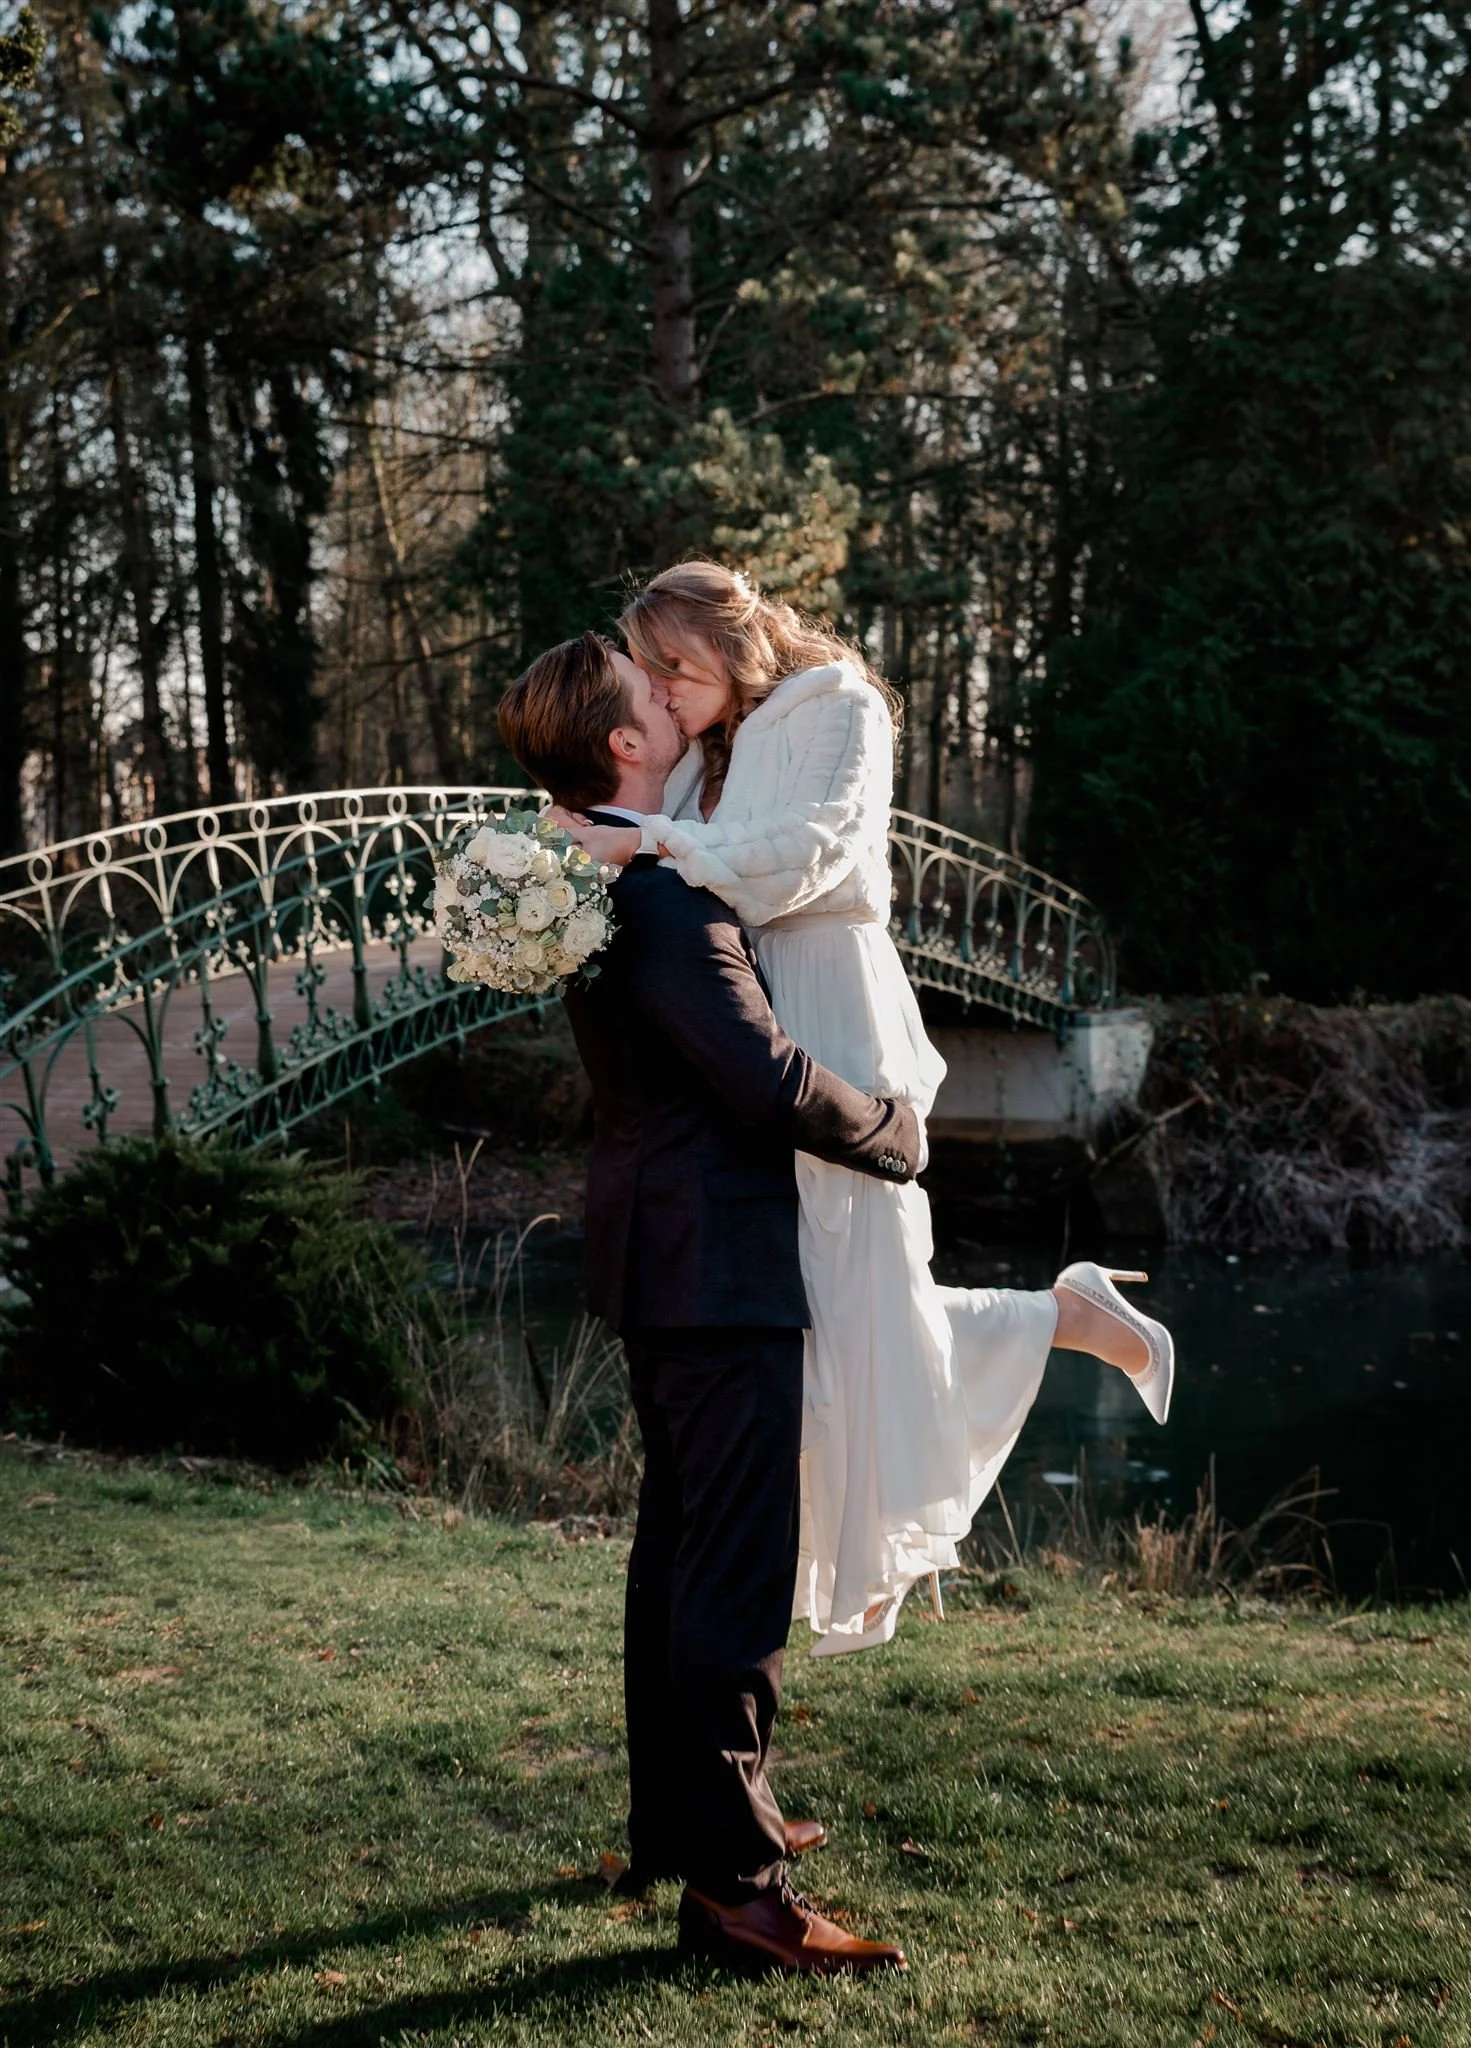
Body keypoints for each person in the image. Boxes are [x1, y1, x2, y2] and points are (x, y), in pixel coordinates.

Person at [552, 561, 1176, 1654]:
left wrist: (646, 841)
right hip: (747, 996)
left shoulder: (836, 703)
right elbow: (669, 843)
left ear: (731, 644)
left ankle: (941, 1468)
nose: (659, 692)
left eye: (673, 668)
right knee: (820, 1329)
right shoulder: (708, 740)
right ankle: (1046, 1328)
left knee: (863, 1302)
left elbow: (804, 859)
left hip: (828, 999)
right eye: (645, 675)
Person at [497, 631, 919, 1975]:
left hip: (653, 1248)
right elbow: (764, 1081)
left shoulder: (587, 870)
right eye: (651, 692)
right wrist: (894, 1132)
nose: (675, 698)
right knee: (729, 1582)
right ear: (625, 746)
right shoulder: (667, 895)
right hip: (716, 1261)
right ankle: (737, 1893)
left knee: (674, 1558)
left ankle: (680, 1824)